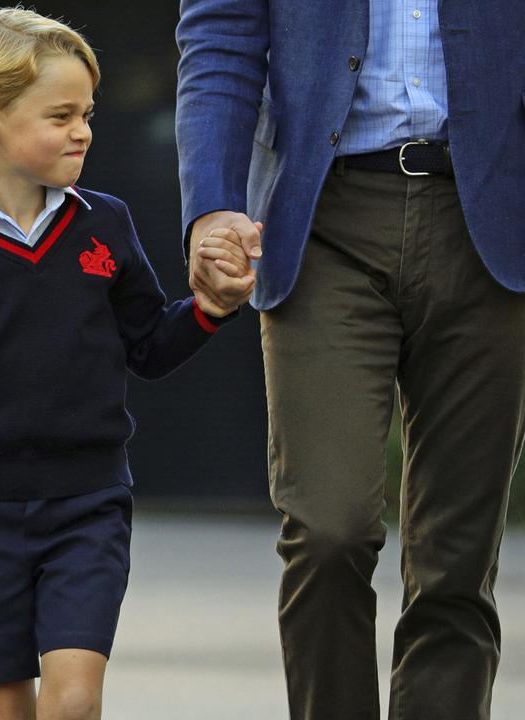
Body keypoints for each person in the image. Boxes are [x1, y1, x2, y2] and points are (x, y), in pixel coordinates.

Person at [0, 8, 253, 720]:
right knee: (4, 711)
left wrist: (210, 309)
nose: (84, 130)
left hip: (87, 508)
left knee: (72, 703)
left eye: (87, 113)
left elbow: (150, 346)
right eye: (61, 115)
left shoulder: (108, 224)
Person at [175, 2, 525, 718]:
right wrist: (212, 203)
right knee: (328, 530)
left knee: (455, 563)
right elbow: (220, 37)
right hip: (322, 215)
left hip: (491, 216)